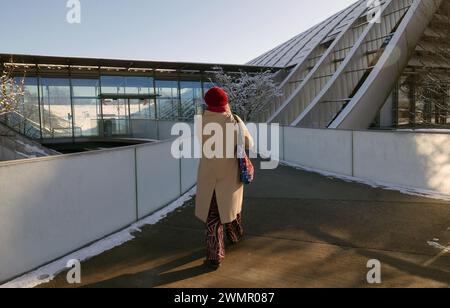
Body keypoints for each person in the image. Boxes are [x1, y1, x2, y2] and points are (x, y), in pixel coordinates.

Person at [196, 87, 254, 269]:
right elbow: (249, 143)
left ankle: (215, 255)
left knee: (212, 215)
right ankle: (235, 234)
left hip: (208, 174)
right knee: (231, 207)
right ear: (225, 101)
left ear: (207, 103)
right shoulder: (234, 120)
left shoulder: (200, 121)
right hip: (229, 173)